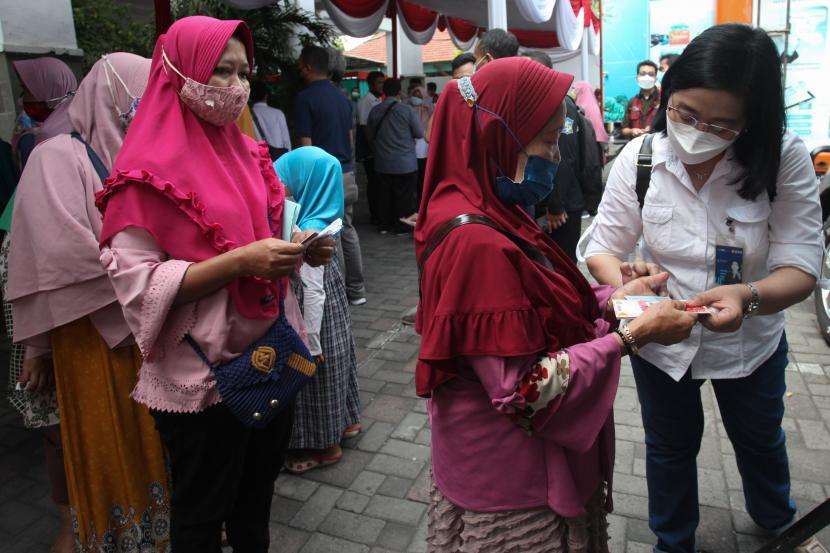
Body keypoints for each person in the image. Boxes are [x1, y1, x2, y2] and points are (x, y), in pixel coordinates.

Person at [417, 57, 698, 553]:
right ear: (495, 135)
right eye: (546, 142)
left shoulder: (494, 210)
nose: (556, 157)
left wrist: (617, 301)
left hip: (505, 461)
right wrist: (634, 336)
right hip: (511, 480)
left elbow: (535, 308)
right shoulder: (477, 244)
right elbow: (525, 390)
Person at [583, 24, 825, 553]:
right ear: (668, 93)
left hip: (751, 340)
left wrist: (749, 298)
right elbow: (601, 247)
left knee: (760, 440)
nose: (698, 130)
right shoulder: (642, 157)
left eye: (723, 124)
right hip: (661, 340)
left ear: (754, 120)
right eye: (686, 112)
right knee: (668, 448)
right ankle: (673, 542)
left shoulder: (782, 158)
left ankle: (778, 522)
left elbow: (802, 265)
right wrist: (624, 285)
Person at [95, 17, 334, 552]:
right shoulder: (142, 175)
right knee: (202, 514)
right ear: (176, 73)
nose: (234, 87)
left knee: (255, 501)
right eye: (219, 72)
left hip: (268, 352)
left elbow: (263, 236)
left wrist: (297, 246)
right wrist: (239, 262)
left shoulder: (248, 155)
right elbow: (136, 284)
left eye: (241, 72)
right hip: (201, 375)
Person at [6, 52, 171, 553]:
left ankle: (159, 534)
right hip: (89, 338)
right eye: (141, 97)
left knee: (154, 442)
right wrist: (153, 274)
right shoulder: (56, 156)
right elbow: (49, 254)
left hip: (152, 332)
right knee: (105, 442)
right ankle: (111, 538)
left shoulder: (146, 156)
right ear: (113, 95)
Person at [273, 147, 362, 473]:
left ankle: (325, 447)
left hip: (314, 324)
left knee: (316, 382)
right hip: (332, 315)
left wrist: (310, 342)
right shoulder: (327, 219)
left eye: (284, 180)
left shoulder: (307, 229)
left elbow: (311, 290)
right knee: (340, 369)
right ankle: (347, 423)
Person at [295, 45, 367, 306]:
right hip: (345, 171)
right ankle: (357, 291)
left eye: (301, 65)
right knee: (347, 229)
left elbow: (306, 146)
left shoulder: (305, 98)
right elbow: (350, 139)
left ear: (310, 67)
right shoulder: (343, 98)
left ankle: (335, 297)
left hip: (320, 178)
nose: (299, 69)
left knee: (324, 236)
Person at [366, 78, 424, 234]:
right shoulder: (407, 110)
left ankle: (384, 225)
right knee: (404, 197)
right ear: (399, 91)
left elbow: (369, 135)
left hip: (382, 162)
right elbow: (419, 133)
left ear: (384, 91)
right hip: (405, 162)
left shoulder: (375, 110)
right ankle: (401, 227)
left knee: (384, 196)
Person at [356, 71, 385, 226]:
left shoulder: (379, 100)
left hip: (380, 148)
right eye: (380, 82)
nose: (382, 86)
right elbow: (365, 128)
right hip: (371, 150)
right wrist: (374, 149)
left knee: (379, 182)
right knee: (373, 183)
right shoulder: (364, 102)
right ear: (371, 84)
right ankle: (375, 215)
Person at [250, 81, 291, 160]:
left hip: (260, 157)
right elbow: (286, 140)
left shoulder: (249, 114)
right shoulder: (278, 113)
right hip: (280, 157)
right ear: (266, 95)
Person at [621, 60, 660, 139]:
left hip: (657, 146)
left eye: (651, 74)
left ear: (656, 78)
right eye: (642, 74)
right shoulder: (632, 102)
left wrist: (653, 129)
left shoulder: (664, 101)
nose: (646, 77)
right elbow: (624, 129)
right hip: (636, 146)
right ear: (637, 77)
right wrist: (632, 131)